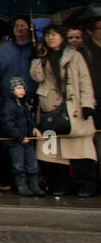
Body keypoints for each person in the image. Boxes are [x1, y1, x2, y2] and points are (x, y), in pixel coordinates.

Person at [31, 24, 96, 197]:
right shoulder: (42, 56)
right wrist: (38, 59)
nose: (51, 38)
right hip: (50, 109)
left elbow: (84, 80)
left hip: (73, 108)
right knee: (51, 152)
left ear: (62, 37)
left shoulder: (75, 56)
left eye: (54, 34)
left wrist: (88, 103)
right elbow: (36, 77)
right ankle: (59, 185)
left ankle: (86, 185)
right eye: (47, 35)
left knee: (80, 149)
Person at [0, 76, 43, 196]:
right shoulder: (8, 105)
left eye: (23, 88)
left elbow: (30, 119)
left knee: (33, 164)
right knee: (18, 165)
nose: (22, 90)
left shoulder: (25, 104)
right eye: (19, 88)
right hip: (15, 142)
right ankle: (21, 186)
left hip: (27, 140)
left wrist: (34, 128)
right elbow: (8, 124)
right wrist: (19, 137)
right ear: (12, 89)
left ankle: (34, 186)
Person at [0, 16, 36, 101]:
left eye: (22, 26)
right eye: (16, 26)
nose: (19, 28)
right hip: (8, 96)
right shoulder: (4, 49)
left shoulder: (35, 48)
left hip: (31, 94)